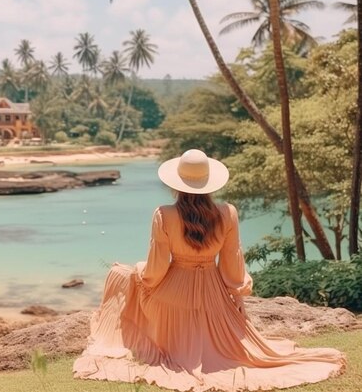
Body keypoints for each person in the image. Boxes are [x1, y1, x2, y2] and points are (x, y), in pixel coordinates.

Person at [73, 149, 345, 391]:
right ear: (208, 183)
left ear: (177, 184)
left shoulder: (164, 214)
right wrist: (237, 290)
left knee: (122, 273)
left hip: (172, 299)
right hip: (214, 299)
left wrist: (141, 274)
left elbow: (155, 269)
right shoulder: (227, 212)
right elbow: (232, 266)